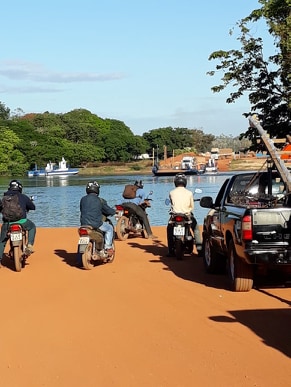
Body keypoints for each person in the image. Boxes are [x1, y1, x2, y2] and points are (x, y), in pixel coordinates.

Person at [0, 180, 36, 265]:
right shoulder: (23, 197)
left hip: (7, 223)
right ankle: (30, 245)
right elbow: (32, 207)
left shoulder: (4, 198)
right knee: (32, 227)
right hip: (22, 221)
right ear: (20, 188)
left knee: (2, 241)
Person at [167, 173, 202, 256]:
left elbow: (172, 203)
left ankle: (171, 251)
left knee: (169, 229)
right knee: (196, 229)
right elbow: (191, 207)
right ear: (185, 182)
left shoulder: (171, 192)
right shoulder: (189, 193)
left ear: (175, 182)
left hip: (175, 215)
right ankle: (200, 250)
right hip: (186, 215)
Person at [80, 181, 115, 255]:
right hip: (96, 224)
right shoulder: (99, 200)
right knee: (109, 228)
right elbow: (108, 210)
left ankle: (79, 259)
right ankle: (108, 247)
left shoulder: (83, 199)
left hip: (83, 224)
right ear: (97, 189)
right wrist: (114, 212)